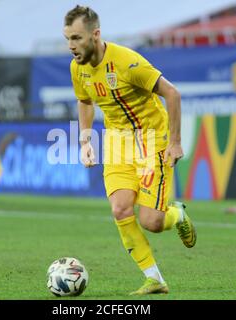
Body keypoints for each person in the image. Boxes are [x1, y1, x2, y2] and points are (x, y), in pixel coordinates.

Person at [64, 6, 197, 295]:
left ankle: (178, 216)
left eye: (76, 38)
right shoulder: (78, 68)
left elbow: (172, 93)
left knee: (152, 221)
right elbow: (85, 101)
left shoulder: (126, 62)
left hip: (152, 139)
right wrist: (85, 140)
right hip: (117, 142)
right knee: (120, 208)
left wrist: (174, 142)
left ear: (95, 35)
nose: (71, 46)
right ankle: (154, 279)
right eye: (67, 39)